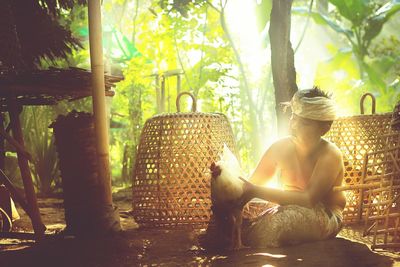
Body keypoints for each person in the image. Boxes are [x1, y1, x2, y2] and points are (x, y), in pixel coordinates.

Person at [237, 87, 346, 248]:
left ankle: (248, 236)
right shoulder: (280, 147)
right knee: (232, 216)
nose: (293, 126)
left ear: (325, 128)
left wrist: (254, 191)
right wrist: (228, 185)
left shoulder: (330, 154)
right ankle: (239, 234)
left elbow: (308, 199)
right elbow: (250, 184)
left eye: (304, 122)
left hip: (325, 215)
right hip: (287, 208)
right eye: (293, 118)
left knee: (278, 223)